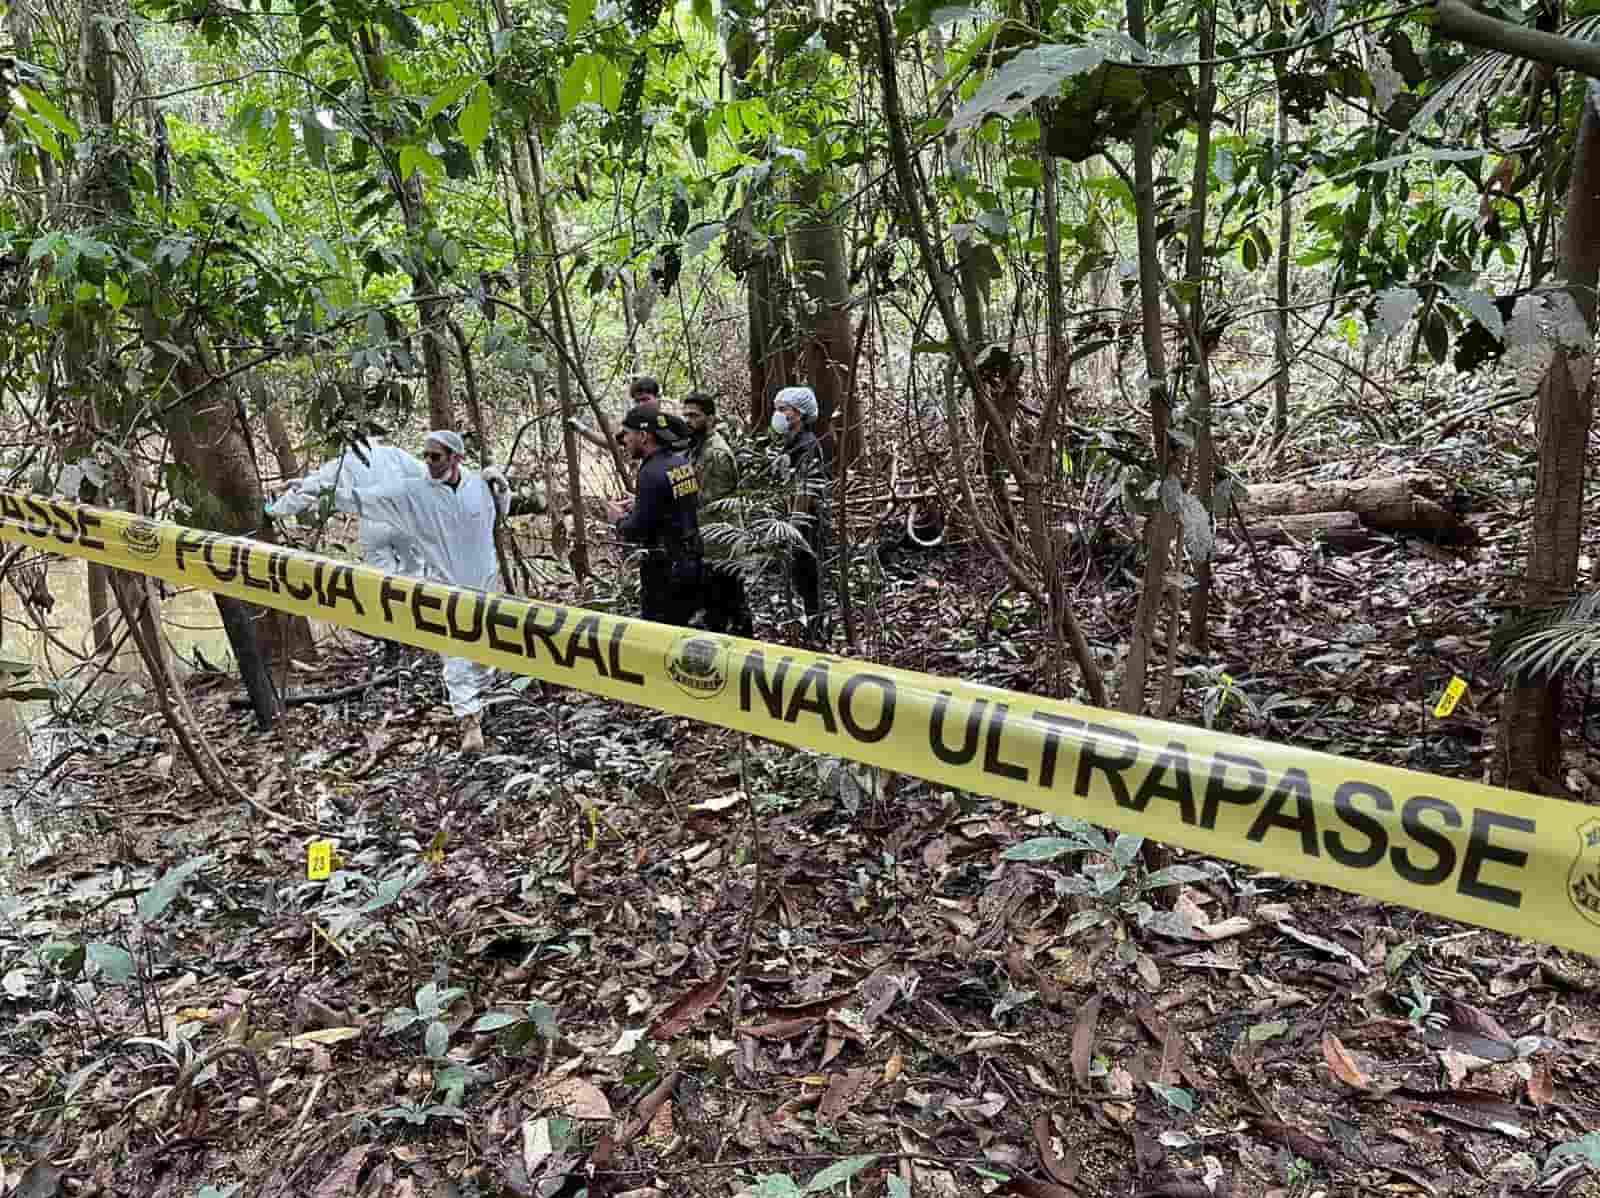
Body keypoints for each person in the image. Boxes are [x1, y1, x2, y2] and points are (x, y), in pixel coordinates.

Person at [332, 430, 513, 754]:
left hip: (484, 582)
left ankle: (482, 702)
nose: (427, 462)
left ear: (456, 458)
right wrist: (320, 494)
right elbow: (367, 498)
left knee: (484, 652)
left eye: (435, 456)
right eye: (425, 456)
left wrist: (501, 489)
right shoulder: (415, 491)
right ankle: (469, 722)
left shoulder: (478, 485)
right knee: (454, 655)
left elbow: (500, 513)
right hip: (444, 586)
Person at [266, 437, 428, 579]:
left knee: (382, 578)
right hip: (403, 521)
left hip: (372, 524)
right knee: (415, 573)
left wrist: (274, 511)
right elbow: (425, 475)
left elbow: (309, 489)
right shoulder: (394, 454)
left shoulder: (343, 463)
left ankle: (389, 610)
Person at [605, 405, 703, 627]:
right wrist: (640, 504)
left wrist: (617, 519)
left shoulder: (650, 472)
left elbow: (636, 529)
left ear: (643, 436)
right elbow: (677, 504)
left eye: (628, 434)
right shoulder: (680, 462)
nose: (625, 440)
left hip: (665, 572)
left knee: (662, 634)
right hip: (691, 561)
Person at [682, 393, 752, 637]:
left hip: (722, 547)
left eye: (695, 416)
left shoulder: (716, 453)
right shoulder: (697, 447)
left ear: (711, 418)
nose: (688, 420)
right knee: (716, 610)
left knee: (731, 610)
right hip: (706, 543)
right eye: (686, 415)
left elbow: (709, 503)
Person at [771, 386, 828, 639]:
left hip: (806, 523)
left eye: (783, 410)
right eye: (777, 409)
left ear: (799, 413)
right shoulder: (790, 443)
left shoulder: (807, 444)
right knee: (801, 579)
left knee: (809, 578)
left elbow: (806, 490)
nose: (778, 415)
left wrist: (792, 529)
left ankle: (817, 631)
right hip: (794, 519)